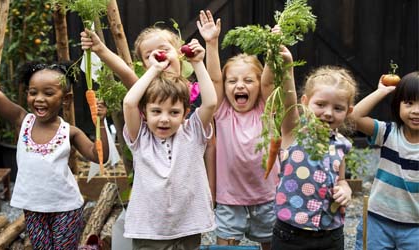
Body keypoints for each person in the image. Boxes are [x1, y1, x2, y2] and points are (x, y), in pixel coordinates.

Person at [0, 33, 109, 249]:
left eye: (48, 93)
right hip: (33, 208)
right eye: (33, 92)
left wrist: (100, 122)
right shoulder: (22, 120)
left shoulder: (70, 132)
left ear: (66, 99)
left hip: (66, 207)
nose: (39, 99)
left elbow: (99, 156)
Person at [80, 11, 218, 198]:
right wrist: (99, 48)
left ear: (179, 53)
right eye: (149, 55)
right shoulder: (146, 91)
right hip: (155, 164)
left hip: (189, 165)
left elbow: (213, 95)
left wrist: (210, 45)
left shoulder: (196, 88)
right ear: (145, 65)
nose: (158, 54)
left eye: (164, 49)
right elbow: (124, 72)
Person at [122, 38, 217, 249]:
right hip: (148, 230)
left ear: (186, 113)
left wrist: (198, 63)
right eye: (156, 111)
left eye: (174, 112)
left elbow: (210, 102)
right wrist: (154, 70)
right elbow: (129, 102)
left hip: (188, 226)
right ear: (144, 113)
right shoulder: (141, 137)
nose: (164, 119)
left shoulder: (192, 133)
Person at [199, 10, 277, 249]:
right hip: (229, 199)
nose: (240, 85)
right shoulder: (222, 112)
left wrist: (274, 51)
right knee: (225, 245)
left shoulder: (267, 108)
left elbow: (269, 81)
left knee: (271, 243)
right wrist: (211, 43)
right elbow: (214, 80)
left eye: (248, 81)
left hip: (267, 197)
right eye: (232, 81)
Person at [271, 47, 355, 250]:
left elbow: (341, 179)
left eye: (338, 108)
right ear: (305, 103)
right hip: (291, 235)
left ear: (348, 111)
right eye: (320, 104)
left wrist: (345, 190)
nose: (328, 113)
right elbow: (288, 97)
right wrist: (287, 65)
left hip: (331, 235)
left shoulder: (342, 144)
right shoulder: (294, 132)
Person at [350, 72, 419, 250]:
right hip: (377, 220)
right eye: (409, 103)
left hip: (415, 227)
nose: (416, 111)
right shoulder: (388, 132)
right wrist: (382, 91)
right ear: (398, 105)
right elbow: (354, 118)